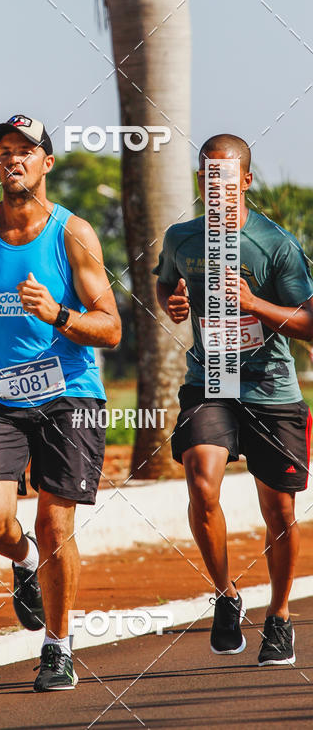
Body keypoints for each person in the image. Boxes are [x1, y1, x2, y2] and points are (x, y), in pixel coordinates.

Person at [0, 114, 121, 691]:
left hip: (70, 393)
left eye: (25, 151)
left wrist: (58, 315)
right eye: (3, 152)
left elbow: (111, 328)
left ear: (46, 163)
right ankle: (24, 563)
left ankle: (58, 646)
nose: (12, 160)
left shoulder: (73, 234)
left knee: (53, 519)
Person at [154, 133, 313, 666]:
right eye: (207, 174)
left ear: (245, 179)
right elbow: (165, 285)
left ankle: (280, 617)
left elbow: (310, 325)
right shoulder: (181, 238)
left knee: (281, 510)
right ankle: (225, 595)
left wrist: (253, 303)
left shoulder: (276, 245)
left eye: (226, 175)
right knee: (201, 482)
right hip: (211, 381)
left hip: (271, 389)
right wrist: (173, 302)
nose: (215, 184)